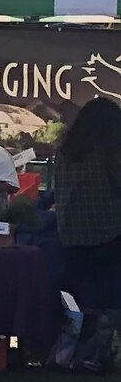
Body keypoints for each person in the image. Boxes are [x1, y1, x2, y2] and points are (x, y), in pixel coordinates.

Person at [52, 95, 121, 322]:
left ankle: (69, 340)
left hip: (70, 230)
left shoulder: (66, 150)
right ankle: (105, 342)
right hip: (107, 230)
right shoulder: (108, 150)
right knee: (107, 292)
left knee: (74, 289)